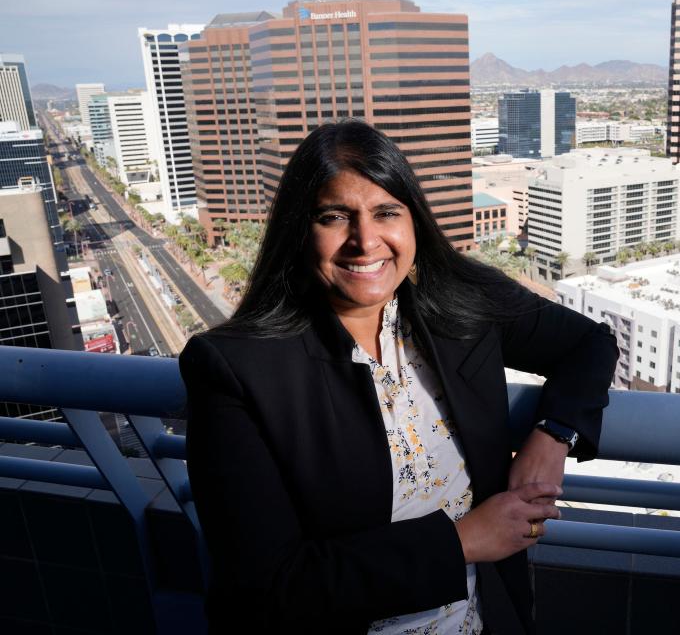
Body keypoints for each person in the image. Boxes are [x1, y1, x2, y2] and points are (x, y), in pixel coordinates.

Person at [179, 120, 618, 634]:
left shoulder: (459, 304)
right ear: (301, 229)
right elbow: (267, 587)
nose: (365, 241)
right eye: (334, 216)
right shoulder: (236, 368)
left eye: (386, 212)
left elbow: (590, 343)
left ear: (414, 220)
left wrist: (553, 436)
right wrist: (463, 542)